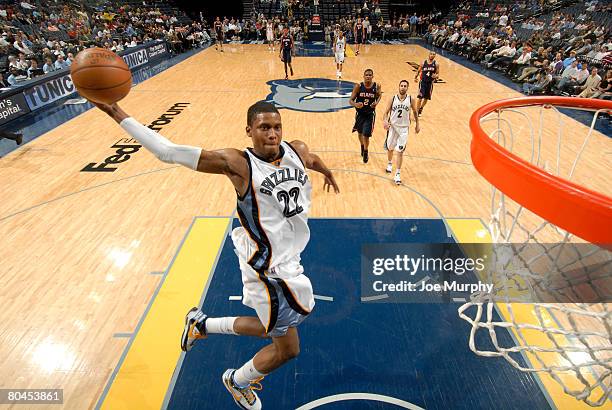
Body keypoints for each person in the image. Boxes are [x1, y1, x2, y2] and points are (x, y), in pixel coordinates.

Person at [93, 100, 339, 410]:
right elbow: (167, 152)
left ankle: (202, 325)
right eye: (264, 128)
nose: (272, 134)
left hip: (288, 258)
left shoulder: (296, 150)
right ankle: (237, 380)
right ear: (249, 131)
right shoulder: (238, 163)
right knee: (288, 348)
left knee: (273, 327)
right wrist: (115, 111)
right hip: (267, 268)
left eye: (276, 127)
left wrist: (327, 173)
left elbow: (312, 160)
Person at [382, 80, 420, 185]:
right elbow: (385, 113)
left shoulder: (411, 99)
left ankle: (398, 174)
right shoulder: (392, 98)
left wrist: (417, 124)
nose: (403, 87)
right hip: (393, 127)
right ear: (399, 87)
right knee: (390, 148)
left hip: (404, 129)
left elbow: (415, 112)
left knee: (400, 151)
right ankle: (389, 163)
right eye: (401, 86)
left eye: (405, 86)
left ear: (407, 88)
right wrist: (385, 121)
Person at [349, 68, 382, 163]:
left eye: (370, 75)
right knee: (359, 134)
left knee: (366, 135)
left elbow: (379, 95)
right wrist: (356, 104)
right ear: (363, 77)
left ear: (372, 76)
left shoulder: (377, 86)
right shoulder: (358, 86)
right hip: (360, 114)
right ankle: (362, 146)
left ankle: (366, 151)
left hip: (370, 114)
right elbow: (350, 100)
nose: (368, 77)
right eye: (366, 75)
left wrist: (376, 103)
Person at [414, 51, 439, 116]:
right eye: (431, 54)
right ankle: (416, 111)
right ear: (429, 54)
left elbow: (437, 74)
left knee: (426, 98)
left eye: (434, 54)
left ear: (435, 56)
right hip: (422, 82)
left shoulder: (436, 64)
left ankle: (421, 108)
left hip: (430, 83)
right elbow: (418, 70)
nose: (432, 55)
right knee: (420, 97)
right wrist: (415, 77)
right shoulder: (423, 62)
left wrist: (436, 76)